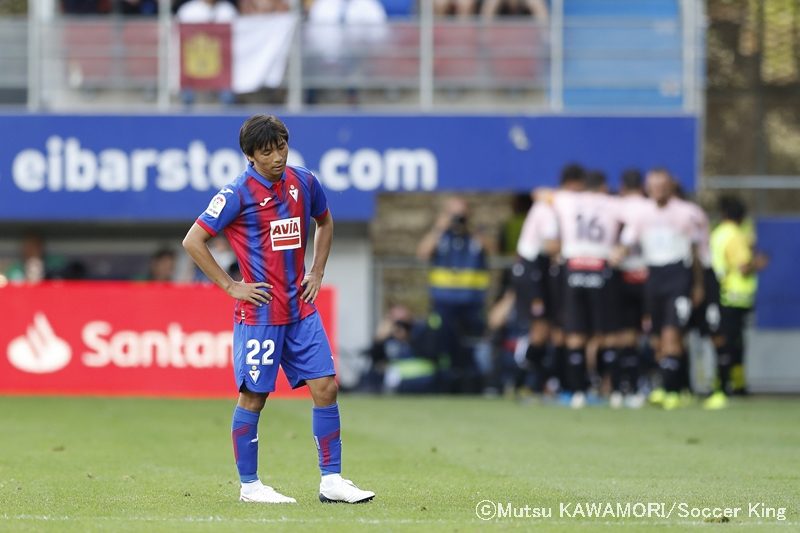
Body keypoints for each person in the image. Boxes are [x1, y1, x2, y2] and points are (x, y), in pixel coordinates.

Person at [182, 114, 374, 504]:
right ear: (250, 156)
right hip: (261, 313)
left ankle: (332, 480)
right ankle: (250, 486)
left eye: (281, 147)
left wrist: (317, 271)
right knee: (254, 396)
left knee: (326, 387)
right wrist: (231, 286)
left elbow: (325, 221)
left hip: (300, 308)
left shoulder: (304, 181)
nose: (276, 157)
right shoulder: (237, 193)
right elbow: (193, 240)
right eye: (266, 152)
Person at [618, 168, 704, 410]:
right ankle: (674, 386)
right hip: (653, 277)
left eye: (663, 186)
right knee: (657, 340)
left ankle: (671, 391)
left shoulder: (686, 213)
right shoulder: (642, 214)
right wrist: (614, 255)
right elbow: (626, 243)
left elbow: (696, 253)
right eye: (654, 186)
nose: (659, 191)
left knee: (671, 335)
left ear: (671, 186)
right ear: (648, 188)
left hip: (678, 275)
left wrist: (698, 284)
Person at [543, 170, 624, 408]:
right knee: (608, 333)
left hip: (574, 268)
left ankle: (577, 392)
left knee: (575, 334)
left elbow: (542, 195)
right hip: (601, 266)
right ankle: (615, 392)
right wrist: (622, 248)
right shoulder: (612, 203)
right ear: (603, 187)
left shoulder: (566, 200)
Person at [416, 196, 491, 393]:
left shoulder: (474, 237)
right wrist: (439, 227)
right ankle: (445, 384)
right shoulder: (442, 237)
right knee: (444, 344)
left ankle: (475, 384)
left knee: (471, 347)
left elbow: (492, 249)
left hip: (471, 303)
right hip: (444, 302)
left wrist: (472, 228)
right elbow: (423, 253)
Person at [706, 196, 768, 409]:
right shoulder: (735, 235)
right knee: (731, 342)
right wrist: (758, 262)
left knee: (727, 339)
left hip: (720, 292)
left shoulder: (718, 233)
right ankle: (724, 387)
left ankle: (727, 385)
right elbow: (743, 267)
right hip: (733, 295)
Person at [614, 169, 650, 408]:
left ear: (622, 187)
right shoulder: (650, 207)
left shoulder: (615, 206)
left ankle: (620, 387)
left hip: (622, 276)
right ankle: (642, 386)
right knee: (647, 335)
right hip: (648, 277)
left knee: (622, 336)